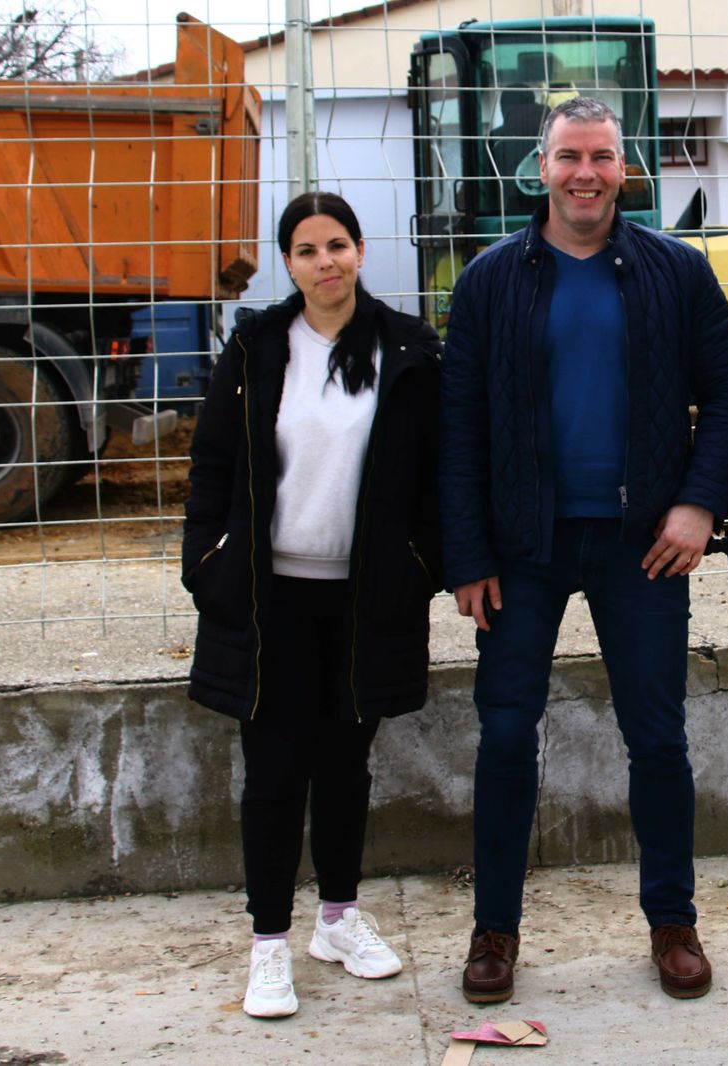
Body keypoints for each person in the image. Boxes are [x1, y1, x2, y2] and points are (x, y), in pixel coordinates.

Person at [439, 96, 728, 1005]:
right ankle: (494, 931)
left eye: (603, 158)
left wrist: (698, 506)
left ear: (628, 168)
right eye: (570, 157)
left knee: (656, 736)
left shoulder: (671, 272)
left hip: (641, 546)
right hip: (521, 548)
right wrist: (467, 554)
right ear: (541, 167)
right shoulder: (493, 279)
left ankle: (673, 923)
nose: (587, 174)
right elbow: (457, 426)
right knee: (505, 734)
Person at [181, 191, 443, 1019]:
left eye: (337, 245)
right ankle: (268, 946)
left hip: (364, 598)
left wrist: (422, 564)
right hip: (270, 600)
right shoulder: (259, 345)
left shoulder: (407, 346)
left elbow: (434, 472)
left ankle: (337, 918)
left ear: (360, 250)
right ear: (287, 263)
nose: (324, 262)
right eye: (306, 250)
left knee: (345, 765)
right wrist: (207, 562)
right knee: (274, 771)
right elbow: (213, 464)